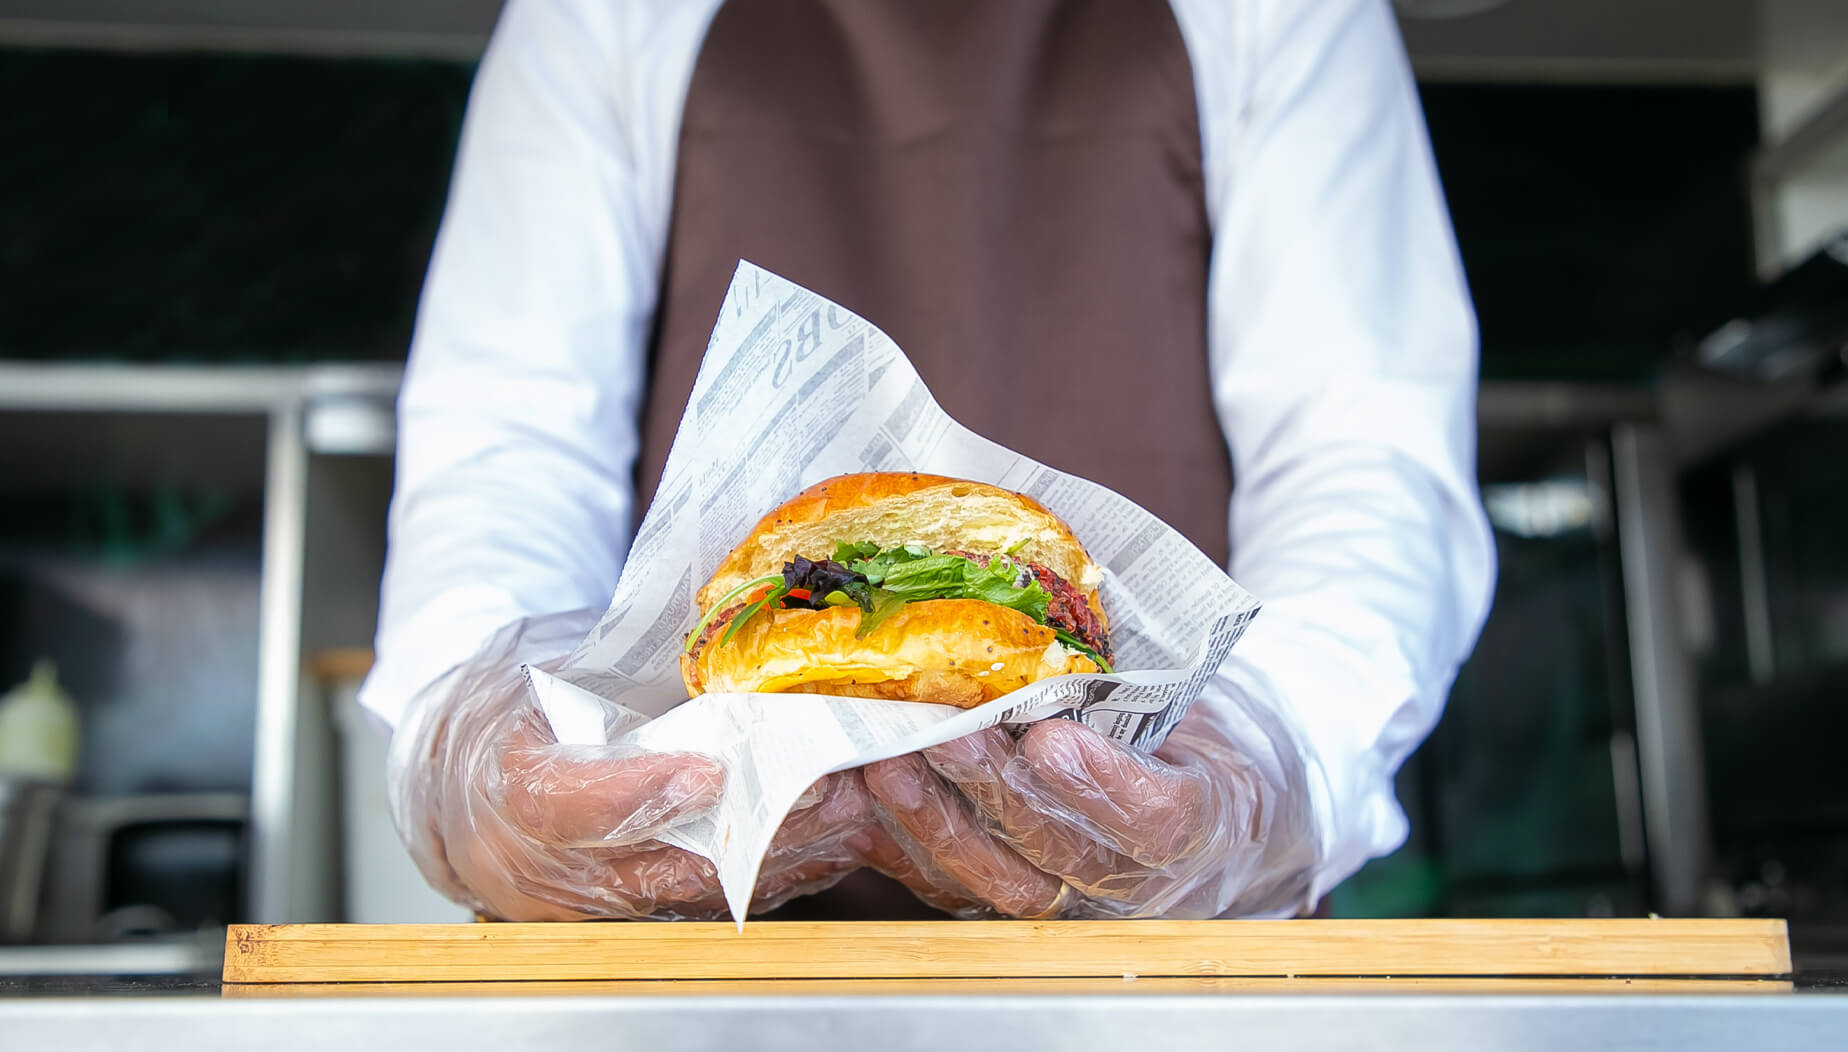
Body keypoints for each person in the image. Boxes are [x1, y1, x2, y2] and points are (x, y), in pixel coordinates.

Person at [360, 0, 1495, 922]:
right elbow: (508, 436)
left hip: (1168, 967)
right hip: (700, 955)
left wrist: (1264, 767)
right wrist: (475, 737)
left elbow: (1364, 449)